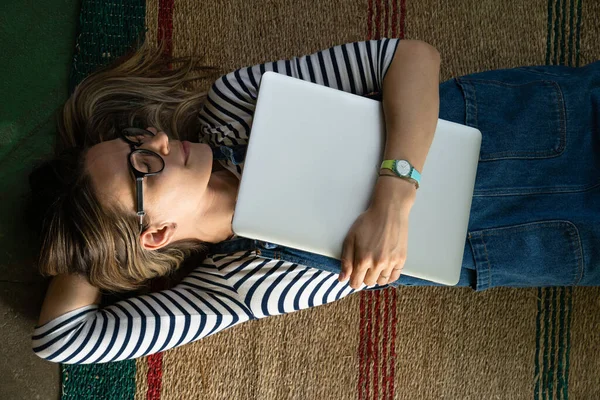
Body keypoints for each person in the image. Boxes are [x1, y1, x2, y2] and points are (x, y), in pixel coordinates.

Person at [29, 37, 600, 364]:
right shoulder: (236, 285)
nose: (153, 140)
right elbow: (62, 338)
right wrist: (88, 241)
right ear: (154, 234)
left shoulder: (239, 104)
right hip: (557, 234)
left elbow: (410, 58)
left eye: (134, 140)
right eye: (141, 167)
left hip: (551, 120)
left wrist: (393, 200)